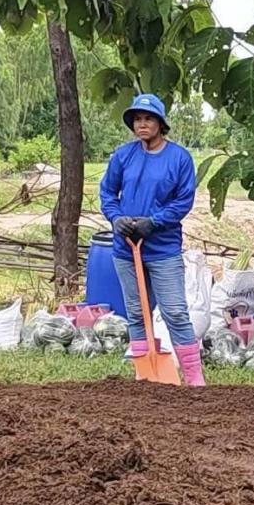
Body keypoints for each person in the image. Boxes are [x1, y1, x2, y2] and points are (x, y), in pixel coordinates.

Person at [99, 93, 203, 387]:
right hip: (126, 247)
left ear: (160, 123)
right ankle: (144, 375)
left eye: (148, 119)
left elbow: (183, 201)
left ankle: (195, 379)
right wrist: (117, 218)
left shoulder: (179, 158)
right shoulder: (123, 156)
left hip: (163, 247)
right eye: (137, 119)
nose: (142, 124)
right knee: (136, 312)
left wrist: (154, 222)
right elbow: (108, 192)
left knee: (175, 312)